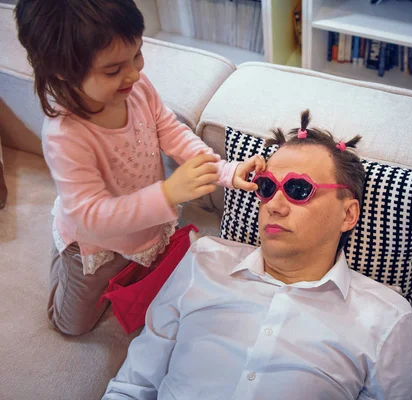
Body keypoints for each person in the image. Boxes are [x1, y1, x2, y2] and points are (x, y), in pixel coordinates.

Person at [103, 110, 412, 399]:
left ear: (347, 215)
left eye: (297, 190)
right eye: (267, 187)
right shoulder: (203, 259)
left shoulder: (386, 318)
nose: (275, 206)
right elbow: (134, 385)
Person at [14, 0, 264, 336]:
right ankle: (61, 249)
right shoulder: (65, 135)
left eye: (138, 54)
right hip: (93, 243)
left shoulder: (137, 88)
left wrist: (225, 171)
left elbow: (172, 131)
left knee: (148, 285)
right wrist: (168, 193)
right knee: (73, 326)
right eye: (113, 70)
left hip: (146, 228)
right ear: (61, 71)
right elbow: (90, 216)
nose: (134, 73)